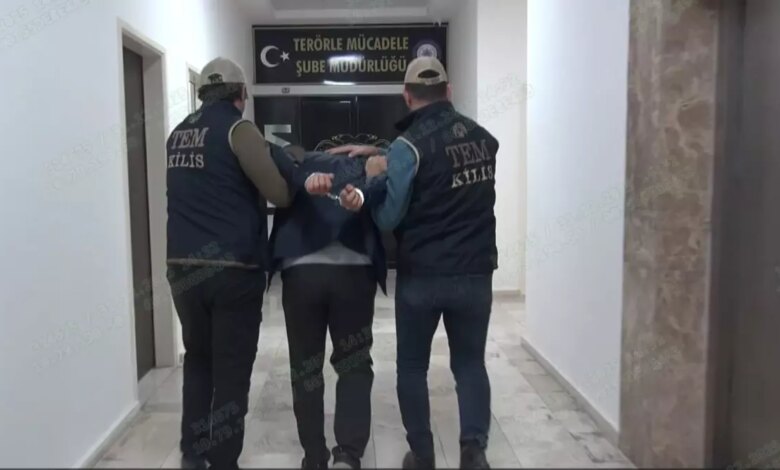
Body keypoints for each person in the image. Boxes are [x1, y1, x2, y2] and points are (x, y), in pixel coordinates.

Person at [330, 57, 499, 470]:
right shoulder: (484, 139)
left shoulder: (408, 148)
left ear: (407, 96)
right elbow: (443, 163)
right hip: (475, 273)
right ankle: (474, 450)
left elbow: (389, 217)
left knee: (411, 367)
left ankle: (422, 454)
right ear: (449, 91)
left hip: (423, 275)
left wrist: (375, 175)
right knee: (470, 364)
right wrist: (385, 153)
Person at [166, 57, 331, 470]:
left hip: (183, 269)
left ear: (202, 94)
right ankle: (224, 461)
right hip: (231, 271)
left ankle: (192, 453)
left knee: (198, 360)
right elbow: (280, 193)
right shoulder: (239, 130)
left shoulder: (177, 134)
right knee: (232, 370)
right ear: (241, 95)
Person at [266, 144, 388, 470]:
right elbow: (402, 156)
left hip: (301, 273)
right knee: (354, 363)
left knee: (305, 367)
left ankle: (314, 456)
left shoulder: (294, 162)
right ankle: (347, 454)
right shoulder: (369, 165)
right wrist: (373, 151)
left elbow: (269, 154)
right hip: (354, 272)